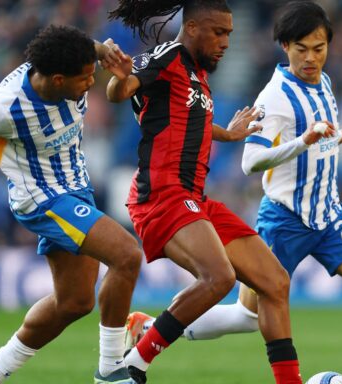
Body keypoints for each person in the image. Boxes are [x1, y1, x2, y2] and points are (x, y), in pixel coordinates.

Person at [125, 2, 342, 383]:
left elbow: (316, 135)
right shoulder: (275, 97)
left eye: (319, 48)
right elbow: (250, 162)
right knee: (247, 316)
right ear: (285, 46)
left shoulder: (325, 82)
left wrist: (336, 137)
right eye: (302, 49)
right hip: (285, 217)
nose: (311, 58)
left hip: (329, 214)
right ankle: (150, 330)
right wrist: (303, 141)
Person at [0, 25, 143, 384]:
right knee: (126, 254)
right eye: (84, 80)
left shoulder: (74, 58)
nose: (90, 85)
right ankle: (111, 371)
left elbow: (84, 47)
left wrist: (102, 50)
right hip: (43, 198)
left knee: (75, 302)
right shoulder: (5, 106)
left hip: (76, 188)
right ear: (59, 79)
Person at [106, 1, 303, 383]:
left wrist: (227, 133)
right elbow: (122, 89)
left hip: (193, 197)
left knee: (275, 283)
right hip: (161, 194)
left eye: (229, 33)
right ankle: (132, 367)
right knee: (219, 278)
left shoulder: (196, 73)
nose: (226, 42)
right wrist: (117, 78)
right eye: (219, 32)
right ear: (193, 27)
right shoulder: (166, 57)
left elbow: (183, 117)